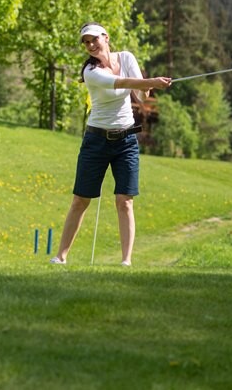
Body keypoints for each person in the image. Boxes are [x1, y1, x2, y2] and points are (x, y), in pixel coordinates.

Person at [50, 23, 171, 266]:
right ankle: (61, 257)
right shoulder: (91, 72)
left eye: (94, 39)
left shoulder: (126, 57)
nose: (90, 45)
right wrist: (149, 81)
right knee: (81, 200)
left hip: (126, 141)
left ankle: (126, 261)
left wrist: (147, 87)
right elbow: (119, 83)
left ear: (106, 37)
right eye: (86, 42)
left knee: (125, 200)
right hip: (96, 140)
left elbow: (141, 96)